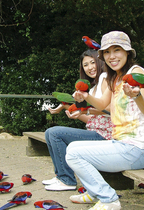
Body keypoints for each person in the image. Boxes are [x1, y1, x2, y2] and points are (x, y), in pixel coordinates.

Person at [66, 31, 144, 210]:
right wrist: (85, 97)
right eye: (107, 52)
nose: (111, 56)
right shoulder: (114, 77)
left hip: (136, 149)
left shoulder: (136, 73)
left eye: (117, 50)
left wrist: (137, 95)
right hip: (119, 144)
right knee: (72, 148)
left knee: (74, 154)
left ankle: (109, 199)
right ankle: (94, 192)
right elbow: (102, 104)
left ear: (127, 52)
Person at [42, 49, 113, 191]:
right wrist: (67, 109)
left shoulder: (105, 78)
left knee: (55, 133)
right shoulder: (92, 89)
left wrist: (85, 109)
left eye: (93, 62)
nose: (90, 67)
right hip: (96, 132)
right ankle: (61, 177)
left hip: (107, 136)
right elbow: (90, 120)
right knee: (50, 133)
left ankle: (66, 180)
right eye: (85, 65)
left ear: (100, 62)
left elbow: (110, 109)